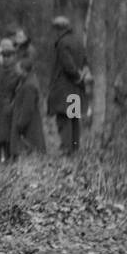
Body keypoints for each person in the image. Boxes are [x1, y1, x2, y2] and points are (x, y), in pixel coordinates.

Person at [47, 15, 88, 154]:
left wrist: (76, 76)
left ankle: (66, 149)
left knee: (64, 119)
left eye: (55, 29)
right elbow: (84, 62)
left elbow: (67, 65)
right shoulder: (78, 41)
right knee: (74, 118)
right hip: (76, 88)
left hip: (65, 88)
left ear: (59, 29)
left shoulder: (62, 43)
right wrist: (80, 77)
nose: (54, 32)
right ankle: (75, 148)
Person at [0, 38, 21, 163]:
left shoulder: (17, 72)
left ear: (13, 56)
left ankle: (8, 157)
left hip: (9, 104)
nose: (6, 58)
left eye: (9, 56)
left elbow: (19, 90)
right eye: (4, 55)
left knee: (8, 134)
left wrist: (13, 103)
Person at [9, 55, 47, 157]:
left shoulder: (28, 86)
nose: (16, 70)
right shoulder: (26, 81)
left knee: (29, 150)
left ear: (24, 70)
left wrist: (20, 124)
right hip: (28, 123)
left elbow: (27, 108)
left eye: (18, 68)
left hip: (28, 125)